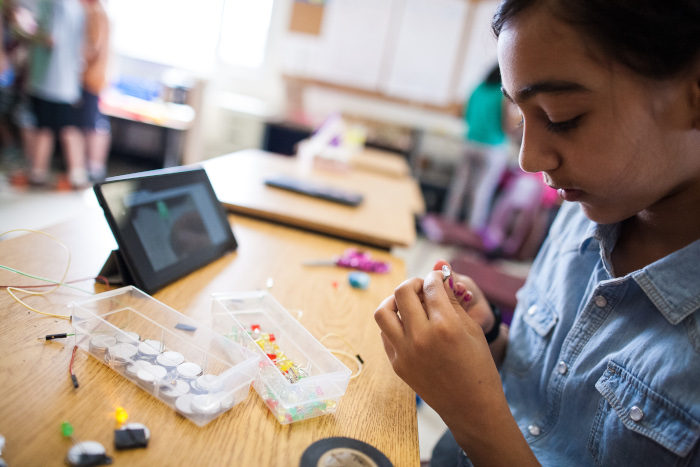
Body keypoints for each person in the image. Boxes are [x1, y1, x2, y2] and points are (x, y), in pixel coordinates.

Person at [374, 0, 700, 465]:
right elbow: (546, 397)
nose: (528, 160)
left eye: (562, 117)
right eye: (520, 116)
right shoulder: (582, 210)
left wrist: (473, 416)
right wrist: (488, 340)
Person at [25, 0, 86, 188]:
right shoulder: (76, 7)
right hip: (64, 80)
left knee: (56, 127)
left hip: (51, 79)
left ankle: (73, 175)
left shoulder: (56, 4)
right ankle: (39, 173)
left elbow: (50, 38)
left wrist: (26, 33)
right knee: (51, 127)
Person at [79, 0, 110, 182]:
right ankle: (94, 167)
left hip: (91, 77)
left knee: (90, 124)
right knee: (95, 122)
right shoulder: (101, 11)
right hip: (97, 76)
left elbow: (94, 47)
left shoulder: (95, 12)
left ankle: (94, 167)